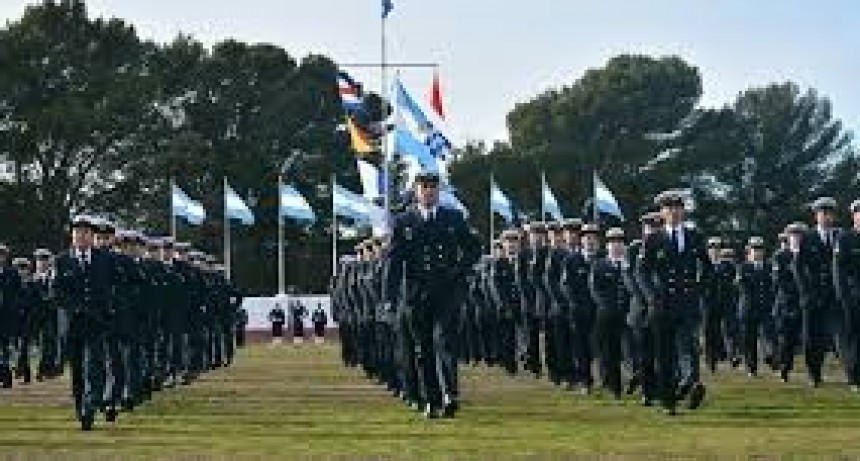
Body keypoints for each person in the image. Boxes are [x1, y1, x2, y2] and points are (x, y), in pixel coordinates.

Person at [385, 169, 481, 418]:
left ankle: (450, 393)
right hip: (417, 295)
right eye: (423, 186)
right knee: (423, 348)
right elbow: (394, 262)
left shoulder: (453, 217)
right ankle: (432, 399)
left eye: (433, 187)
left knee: (446, 341)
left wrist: (459, 272)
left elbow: (473, 249)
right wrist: (389, 297)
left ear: (438, 191)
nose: (428, 191)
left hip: (446, 292)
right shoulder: (404, 221)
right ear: (416, 191)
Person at [637, 190, 710, 415]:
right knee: (665, 354)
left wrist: (699, 289)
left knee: (689, 346)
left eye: (677, 208)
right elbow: (642, 272)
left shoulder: (694, 236)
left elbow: (706, 267)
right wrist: (651, 296)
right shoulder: (653, 239)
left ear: (683, 211)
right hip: (662, 304)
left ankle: (689, 384)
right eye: (669, 209)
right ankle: (669, 401)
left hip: (687, 302)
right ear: (662, 212)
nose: (673, 212)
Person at [55, 215, 117, 430]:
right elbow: (57, 293)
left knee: (94, 366)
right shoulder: (62, 261)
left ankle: (90, 405)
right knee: (78, 370)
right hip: (73, 324)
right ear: (72, 237)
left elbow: (112, 287)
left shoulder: (105, 259)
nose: (81, 236)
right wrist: (77, 307)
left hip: (97, 323)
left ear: (93, 237)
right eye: (77, 232)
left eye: (86, 233)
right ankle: (81, 404)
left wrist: (107, 310)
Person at [794, 197, 840, 387]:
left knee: (828, 335)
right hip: (811, 296)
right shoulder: (806, 238)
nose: (827, 217)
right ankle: (814, 373)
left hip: (832, 294)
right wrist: (806, 292)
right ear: (816, 216)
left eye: (830, 213)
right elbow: (798, 268)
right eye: (823, 213)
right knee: (811, 336)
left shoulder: (839, 236)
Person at [588, 228, 630, 399]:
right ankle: (614, 386)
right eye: (613, 242)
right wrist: (607, 306)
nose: (616, 246)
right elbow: (595, 290)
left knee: (630, 350)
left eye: (619, 242)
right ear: (608, 245)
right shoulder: (599, 265)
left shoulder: (630, 264)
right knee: (609, 351)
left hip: (629, 314)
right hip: (606, 314)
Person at [736, 236, 773, 377]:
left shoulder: (769, 266)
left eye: (760, 249)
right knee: (749, 339)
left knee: (767, 333)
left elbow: (772, 286)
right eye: (754, 249)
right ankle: (752, 367)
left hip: (764, 308)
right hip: (748, 309)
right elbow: (743, 288)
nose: (757, 252)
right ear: (749, 251)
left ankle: (769, 355)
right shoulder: (743, 267)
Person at [834, 200, 860, 391]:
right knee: (853, 338)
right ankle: (854, 377)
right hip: (853, 295)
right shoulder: (845, 238)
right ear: (854, 216)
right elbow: (839, 271)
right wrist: (844, 296)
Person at [0, 243, 20, 388]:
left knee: (5, 348)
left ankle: (6, 377)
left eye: (2, 254)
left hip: (7, 318)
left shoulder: (12, 273)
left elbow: (18, 294)